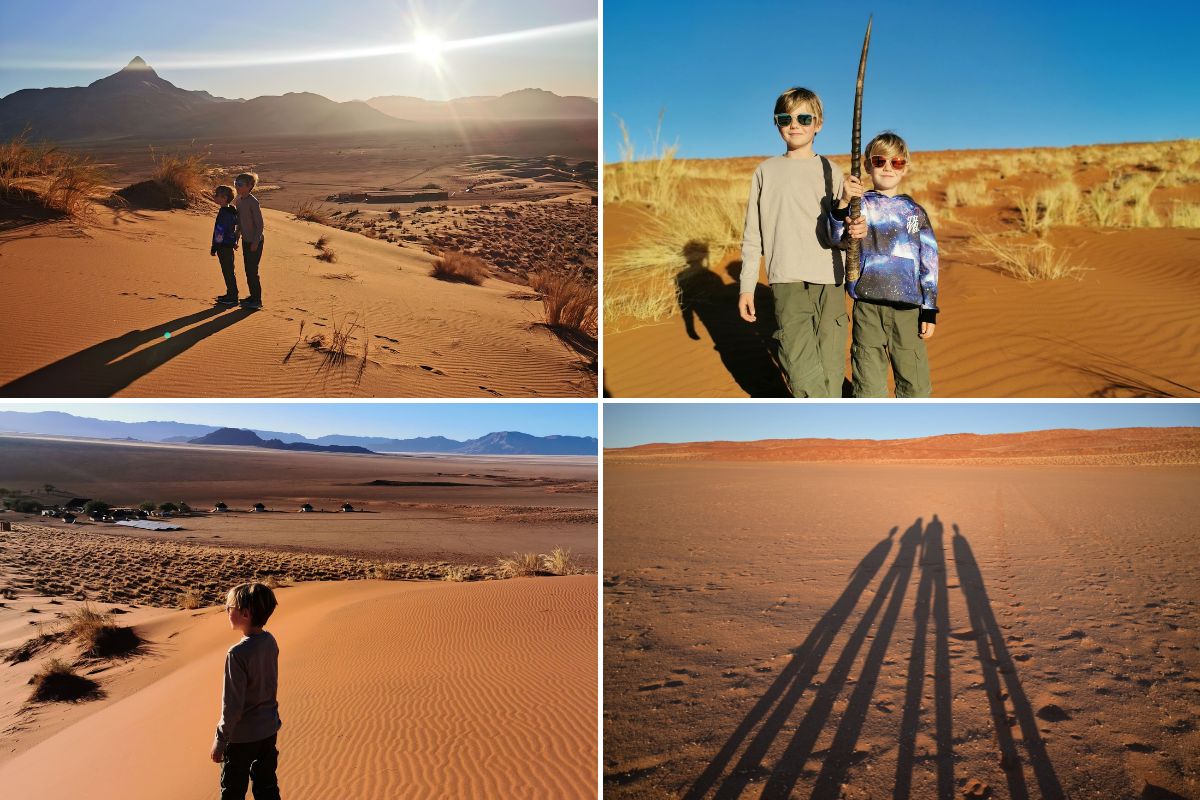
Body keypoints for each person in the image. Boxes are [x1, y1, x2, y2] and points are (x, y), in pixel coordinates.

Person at [739, 87, 867, 398]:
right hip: (786, 280)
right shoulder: (765, 172)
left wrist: (853, 220)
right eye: (786, 118)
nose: (794, 124)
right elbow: (752, 234)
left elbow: (838, 234)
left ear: (818, 123)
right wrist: (746, 285)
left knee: (832, 366)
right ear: (776, 122)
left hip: (830, 280)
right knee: (799, 367)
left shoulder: (832, 172)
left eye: (804, 117)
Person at [832, 131, 939, 397]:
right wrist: (843, 205)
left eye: (897, 162)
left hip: (908, 309)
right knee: (868, 383)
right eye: (880, 161)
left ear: (905, 167)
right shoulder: (860, 205)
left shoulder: (914, 213)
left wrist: (929, 308)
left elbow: (928, 260)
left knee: (914, 384)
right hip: (867, 306)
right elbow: (837, 237)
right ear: (867, 166)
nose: (888, 168)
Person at [211, 582, 281, 800]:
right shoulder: (270, 641)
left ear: (245, 613)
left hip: (241, 738)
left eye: (228, 607)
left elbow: (232, 705)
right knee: (267, 787)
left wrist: (220, 741)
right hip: (268, 731)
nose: (226, 611)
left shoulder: (237, 653)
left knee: (232, 792)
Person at [234, 172, 265, 309]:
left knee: (252, 271)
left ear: (250, 186)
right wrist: (236, 236)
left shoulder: (253, 202)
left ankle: (257, 300)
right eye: (236, 182)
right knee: (248, 270)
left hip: (255, 241)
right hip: (245, 241)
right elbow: (240, 222)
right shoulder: (239, 200)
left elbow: (260, 225)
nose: (237, 186)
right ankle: (252, 297)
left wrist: (255, 242)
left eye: (240, 184)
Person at [211, 185, 241, 305]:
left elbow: (220, 231)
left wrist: (215, 247)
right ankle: (231, 294)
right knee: (229, 270)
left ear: (224, 198)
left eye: (216, 195)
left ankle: (232, 296)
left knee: (227, 271)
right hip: (228, 244)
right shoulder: (231, 211)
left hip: (224, 246)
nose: (214, 197)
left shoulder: (225, 213)